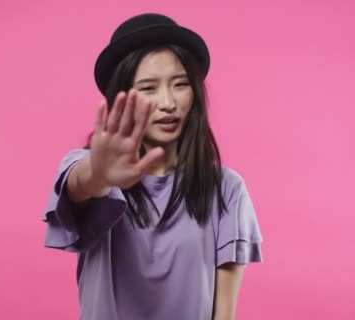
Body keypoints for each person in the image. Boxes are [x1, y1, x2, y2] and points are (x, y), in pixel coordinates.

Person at [42, 13, 263, 320]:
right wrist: (98, 176)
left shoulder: (226, 189)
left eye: (180, 84)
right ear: (122, 98)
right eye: (148, 88)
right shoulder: (88, 167)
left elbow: (223, 315)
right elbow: (81, 185)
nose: (168, 102)